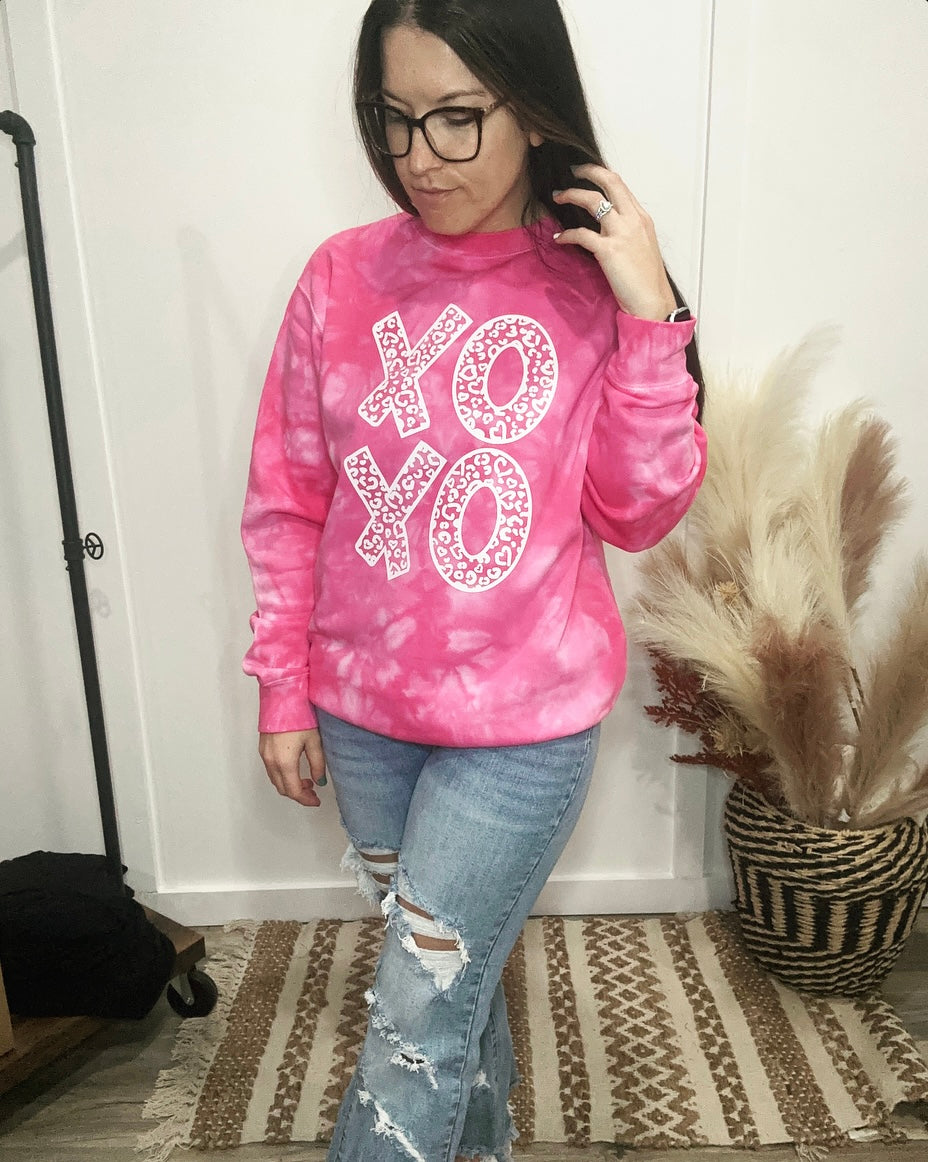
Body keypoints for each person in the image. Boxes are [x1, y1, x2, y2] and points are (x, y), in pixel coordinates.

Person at [241, 1, 708, 1158]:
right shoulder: (339, 278)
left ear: (531, 107)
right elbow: (290, 501)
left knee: (414, 1018)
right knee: (449, 990)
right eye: (393, 118)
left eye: (457, 117)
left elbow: (636, 511)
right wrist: (282, 687)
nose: (420, 157)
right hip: (363, 721)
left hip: (521, 733)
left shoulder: (587, 284)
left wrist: (649, 309)